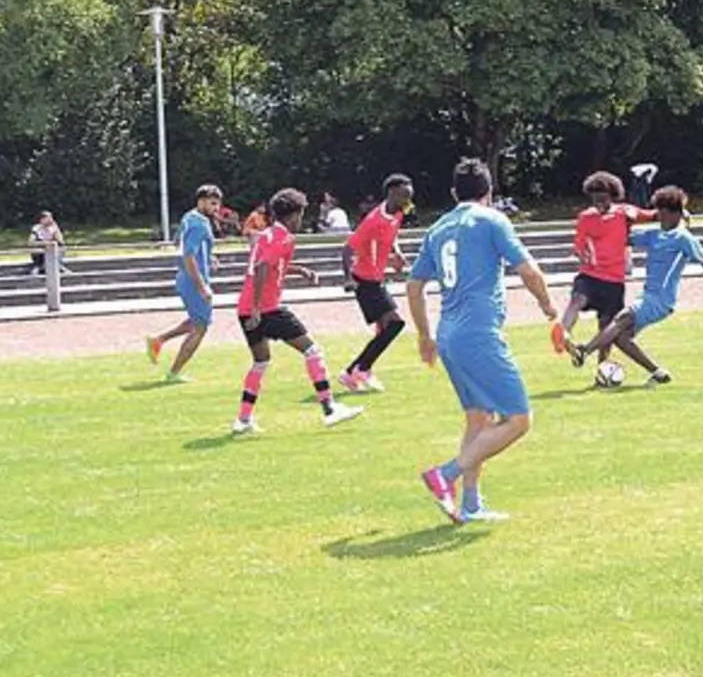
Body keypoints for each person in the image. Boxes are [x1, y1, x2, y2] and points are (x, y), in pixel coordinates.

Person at [410, 158, 558, 524]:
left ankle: (472, 504)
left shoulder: (439, 227)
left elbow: (414, 286)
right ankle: (445, 475)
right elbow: (528, 270)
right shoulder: (492, 220)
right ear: (489, 193)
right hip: (478, 333)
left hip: (448, 334)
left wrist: (425, 335)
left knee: (478, 420)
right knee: (519, 419)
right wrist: (549, 306)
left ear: (453, 193)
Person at [566, 186, 703, 384]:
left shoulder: (683, 238)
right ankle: (658, 373)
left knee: (622, 316)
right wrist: (620, 220)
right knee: (620, 338)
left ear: (676, 215)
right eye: (659, 213)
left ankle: (584, 351)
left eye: (664, 214)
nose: (660, 218)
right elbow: (623, 238)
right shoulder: (653, 235)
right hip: (647, 296)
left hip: (662, 300)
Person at [231, 188, 363, 435]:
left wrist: (299, 270)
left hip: (245, 309)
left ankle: (243, 419)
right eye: (301, 215)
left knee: (260, 362)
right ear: (293, 216)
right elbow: (261, 268)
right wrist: (259, 308)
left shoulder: (266, 235)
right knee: (313, 351)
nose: (301, 221)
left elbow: (271, 264)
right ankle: (329, 408)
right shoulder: (284, 238)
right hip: (266, 309)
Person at [552, 171, 656, 359]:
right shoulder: (585, 217)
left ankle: (602, 369)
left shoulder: (625, 213)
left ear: (613, 196)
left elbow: (653, 215)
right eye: (595, 200)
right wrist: (580, 253)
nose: (599, 204)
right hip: (590, 274)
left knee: (606, 326)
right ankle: (563, 333)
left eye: (603, 199)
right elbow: (578, 245)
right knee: (577, 300)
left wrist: (680, 210)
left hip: (614, 280)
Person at [338, 174, 414, 394]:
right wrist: (348, 278)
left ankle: (360, 371)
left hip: (376, 279)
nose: (408, 201)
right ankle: (356, 370)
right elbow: (347, 249)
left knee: (383, 329)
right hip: (365, 281)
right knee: (395, 324)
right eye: (404, 196)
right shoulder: (372, 221)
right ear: (391, 193)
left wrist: (396, 253)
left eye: (409, 196)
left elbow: (392, 235)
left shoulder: (398, 212)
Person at [145, 185, 225, 382]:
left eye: (217, 204)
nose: (216, 208)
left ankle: (158, 340)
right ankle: (173, 373)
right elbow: (188, 256)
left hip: (186, 278)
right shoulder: (199, 224)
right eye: (213, 203)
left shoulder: (189, 217)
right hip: (192, 280)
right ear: (201, 201)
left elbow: (179, 243)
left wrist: (208, 256)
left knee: (197, 321)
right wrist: (202, 287)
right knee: (201, 327)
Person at [27, 211, 70, 275]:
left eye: (51, 218)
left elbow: (61, 241)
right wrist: (44, 243)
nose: (50, 220)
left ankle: (58, 266)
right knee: (39, 252)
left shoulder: (54, 228)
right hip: (41, 253)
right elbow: (30, 242)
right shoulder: (36, 229)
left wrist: (56, 230)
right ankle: (39, 267)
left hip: (53, 251)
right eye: (48, 218)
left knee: (60, 248)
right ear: (42, 220)